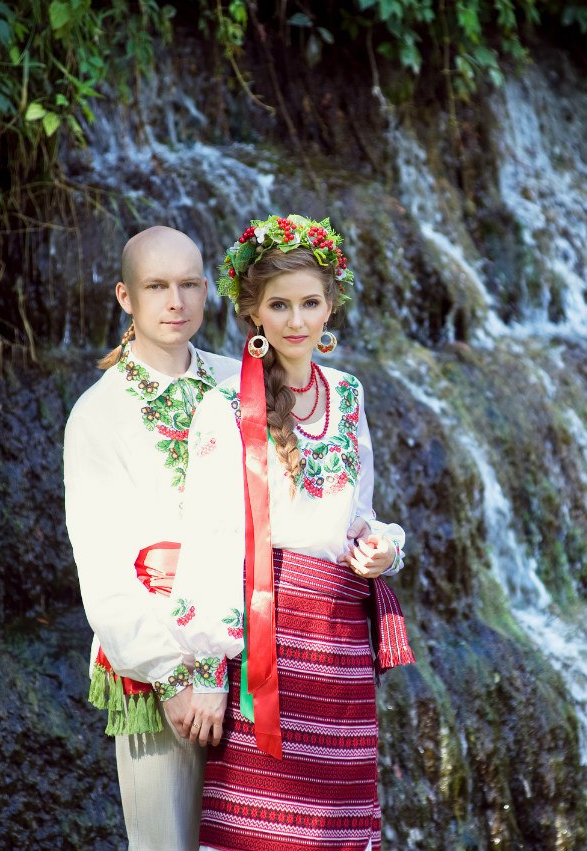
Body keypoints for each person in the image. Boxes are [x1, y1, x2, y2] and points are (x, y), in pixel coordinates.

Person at [167, 214, 414, 851]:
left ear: (331, 304)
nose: (296, 320)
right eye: (279, 305)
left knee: (338, 830)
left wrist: (381, 548)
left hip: (340, 647)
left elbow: (358, 514)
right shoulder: (226, 407)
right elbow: (212, 535)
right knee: (263, 830)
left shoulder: (349, 395)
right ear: (253, 311)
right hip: (266, 646)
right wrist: (208, 673)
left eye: (310, 303)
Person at [63, 225, 241, 850]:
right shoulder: (98, 414)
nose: (176, 302)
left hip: (252, 654)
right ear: (125, 296)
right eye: (157, 286)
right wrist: (171, 676)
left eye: (189, 284)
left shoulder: (240, 383)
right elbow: (102, 567)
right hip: (158, 663)